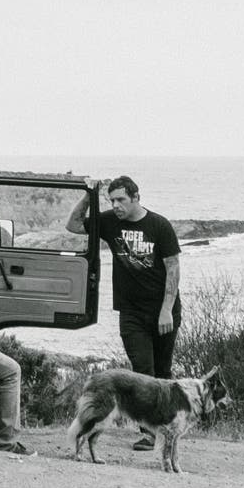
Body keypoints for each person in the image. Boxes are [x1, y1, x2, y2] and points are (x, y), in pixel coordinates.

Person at [68, 175, 181, 450]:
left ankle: (163, 430)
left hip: (162, 312)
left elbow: (173, 267)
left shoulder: (159, 225)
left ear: (136, 198)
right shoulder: (110, 222)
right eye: (112, 200)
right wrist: (88, 195)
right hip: (131, 312)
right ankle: (149, 433)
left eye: (121, 200)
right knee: (142, 370)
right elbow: (73, 225)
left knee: (163, 373)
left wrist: (166, 310)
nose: (116, 205)